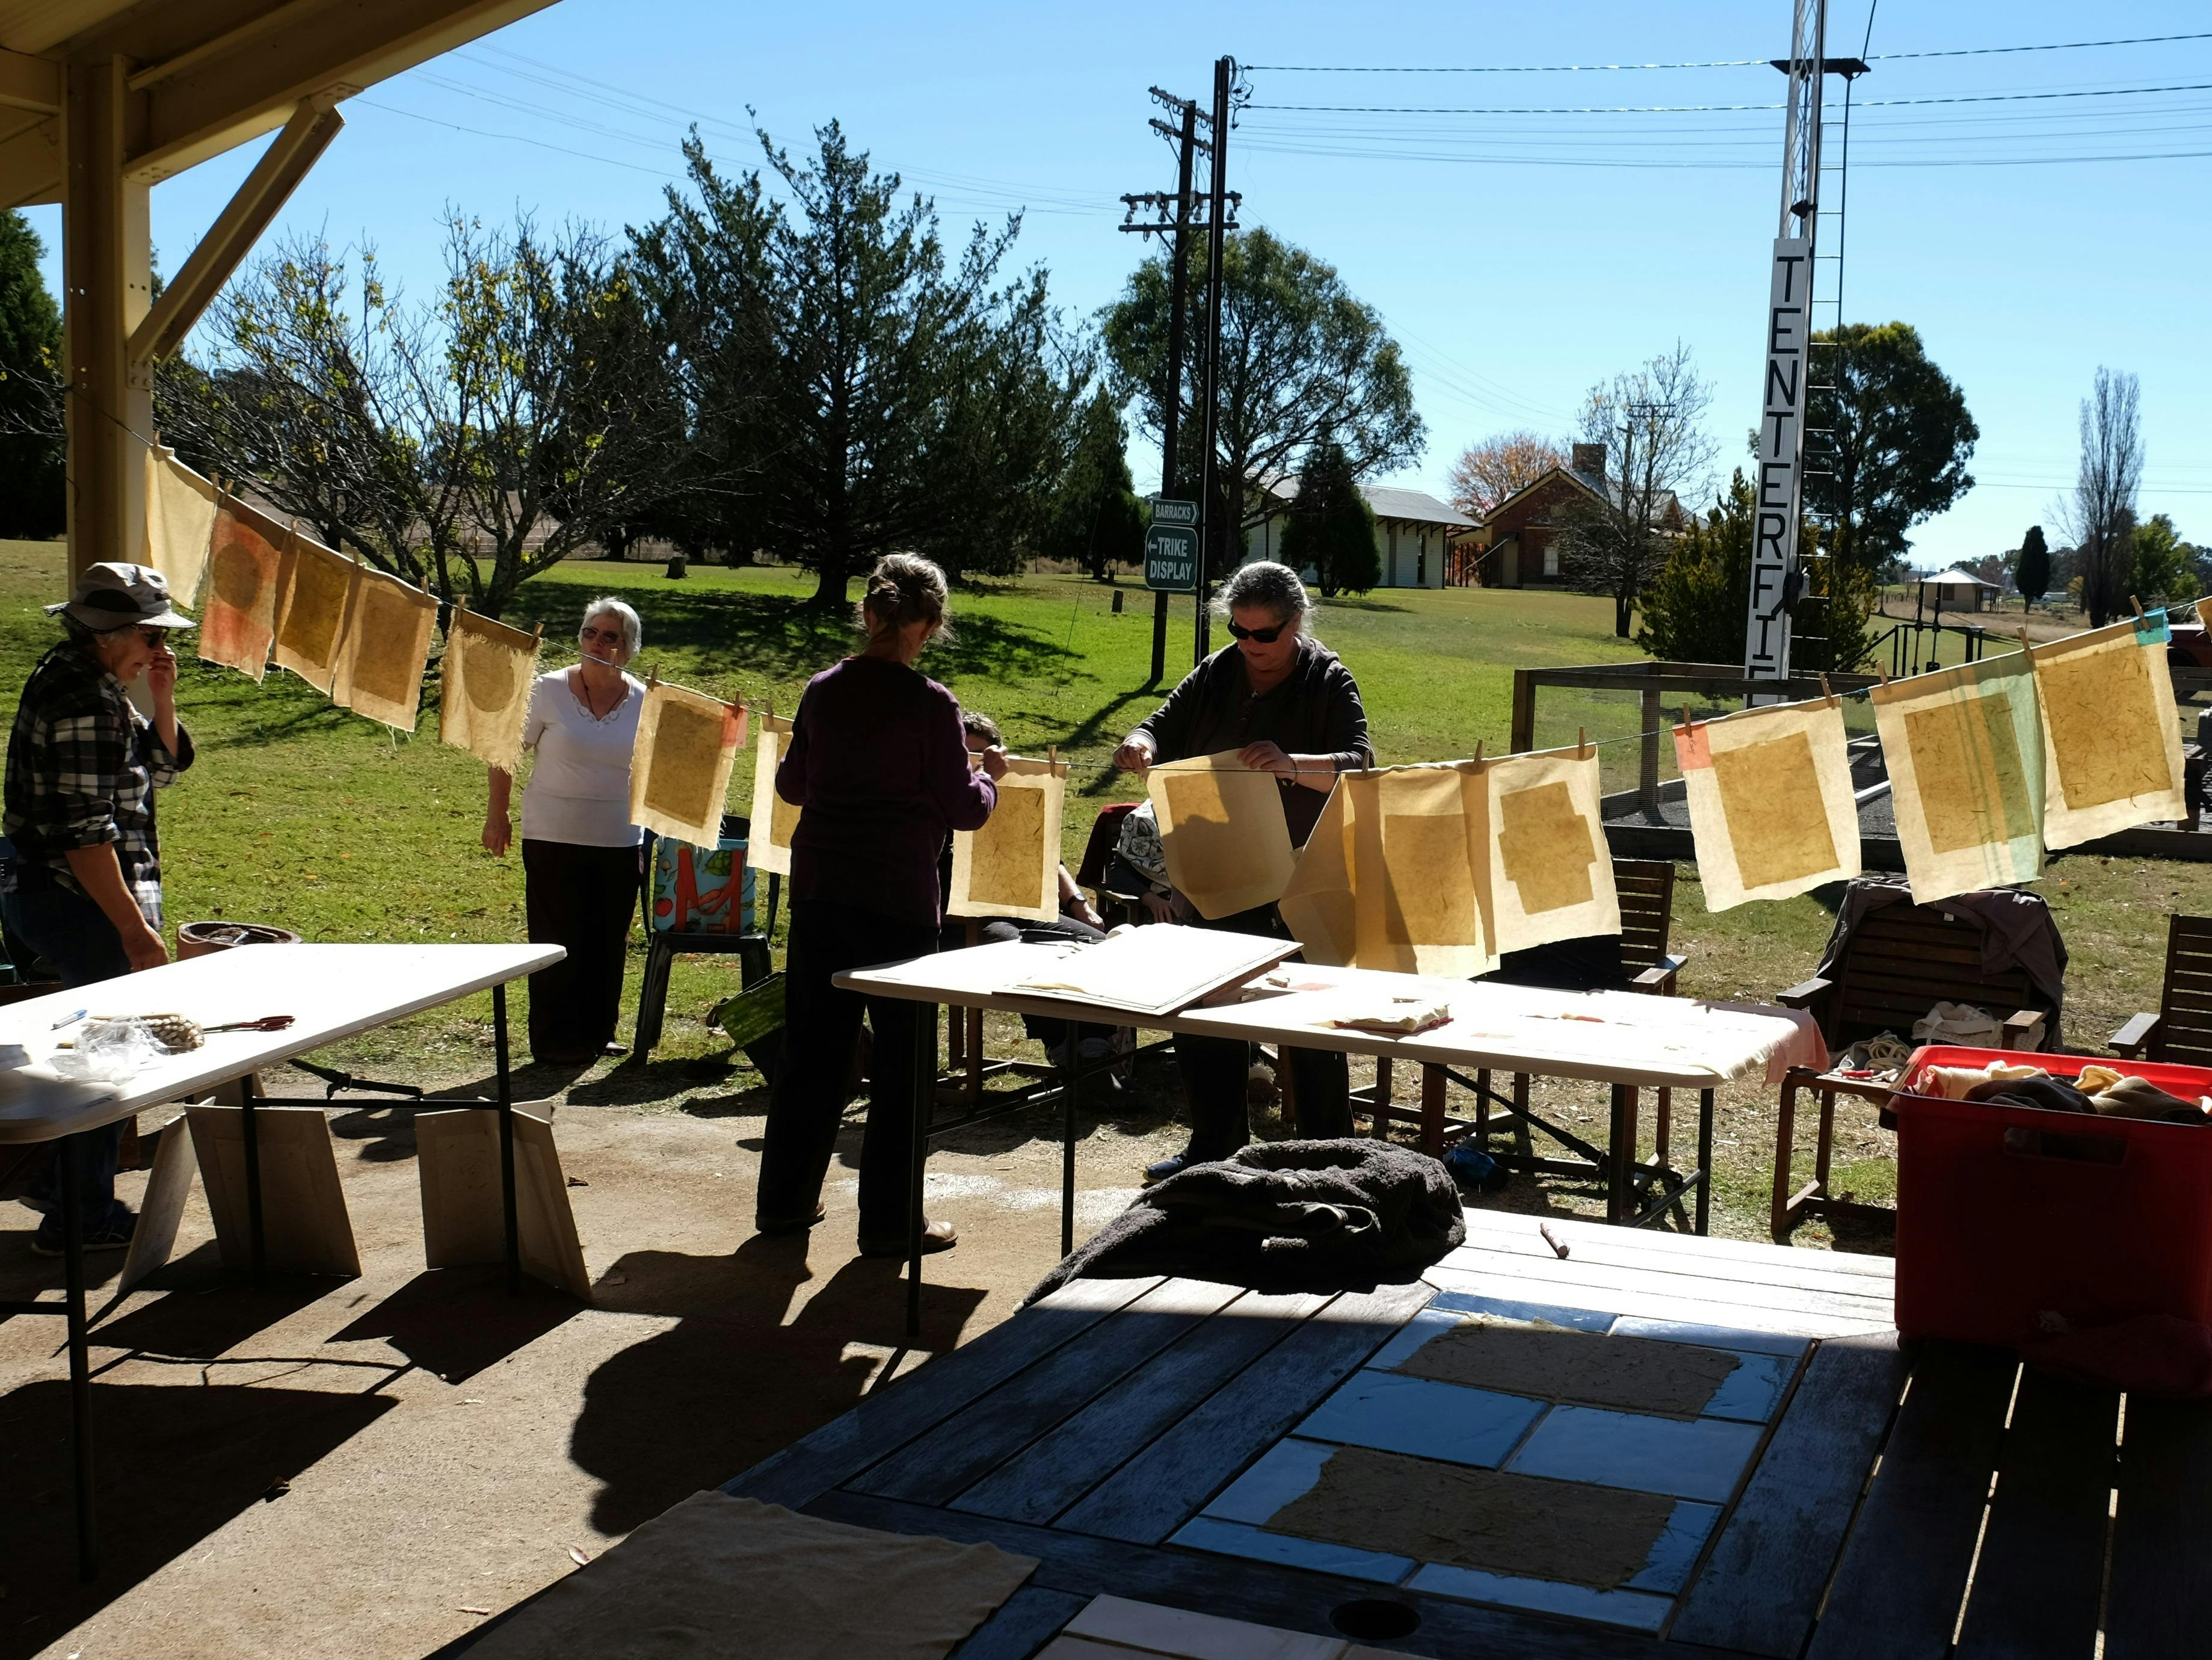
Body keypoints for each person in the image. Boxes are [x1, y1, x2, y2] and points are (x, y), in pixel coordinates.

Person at [755, 555, 1005, 1257]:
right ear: (927, 625)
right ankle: (891, 1224)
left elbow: (793, 786)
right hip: (897, 898)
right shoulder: (932, 704)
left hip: (821, 891)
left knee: (812, 1052)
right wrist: (988, 778)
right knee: (903, 1064)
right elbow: (964, 810)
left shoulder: (823, 690)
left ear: (869, 613)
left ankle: (782, 1206)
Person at [1112, 560, 1372, 1180]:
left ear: (1296, 621)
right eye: (1239, 630)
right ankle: (1214, 1149)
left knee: (1308, 1023)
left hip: (1302, 872)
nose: (1250, 646)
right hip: (1221, 867)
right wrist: (1140, 741)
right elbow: (1161, 721)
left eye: (1265, 634)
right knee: (1203, 1009)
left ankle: (1323, 1159)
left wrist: (1292, 763)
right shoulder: (1217, 670)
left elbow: (1360, 765)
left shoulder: (1326, 677)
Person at [1, 563, 196, 1255]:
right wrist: (136, 934)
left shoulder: (94, 683)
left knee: (90, 1053)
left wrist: (163, 697)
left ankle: (62, 1188)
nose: (157, 648)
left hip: (58, 894)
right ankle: (78, 1216)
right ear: (110, 634)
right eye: (149, 635)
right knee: (101, 1063)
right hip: (75, 899)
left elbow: (162, 770)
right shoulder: (84, 699)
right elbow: (87, 839)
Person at [483, 597, 646, 1066]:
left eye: (610, 636)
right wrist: (498, 815)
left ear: (629, 648)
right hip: (552, 834)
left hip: (619, 837)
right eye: (590, 633)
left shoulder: (644, 699)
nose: (597, 643)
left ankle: (598, 1033)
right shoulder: (547, 690)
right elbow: (504, 752)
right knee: (558, 937)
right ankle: (554, 1040)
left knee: (607, 941)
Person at [941, 710, 1123, 1079]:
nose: (975, 766)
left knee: (1097, 944)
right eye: (966, 756)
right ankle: (1064, 1050)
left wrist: (1079, 904)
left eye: (983, 757)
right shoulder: (940, 793)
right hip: (958, 919)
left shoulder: (1010, 791)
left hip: (1020, 907)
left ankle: (1094, 1047)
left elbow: (1044, 851)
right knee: (1023, 956)